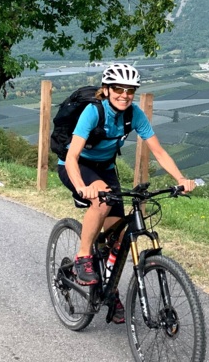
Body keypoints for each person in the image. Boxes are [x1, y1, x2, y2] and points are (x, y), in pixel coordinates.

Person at [59, 63, 196, 320]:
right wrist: (81, 186)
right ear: (107, 89)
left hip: (106, 168)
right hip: (78, 167)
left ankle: (110, 293)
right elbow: (71, 157)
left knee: (119, 238)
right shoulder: (93, 111)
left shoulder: (134, 114)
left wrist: (181, 179)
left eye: (130, 90)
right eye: (119, 89)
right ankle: (83, 256)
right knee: (100, 199)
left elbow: (159, 151)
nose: (125, 94)